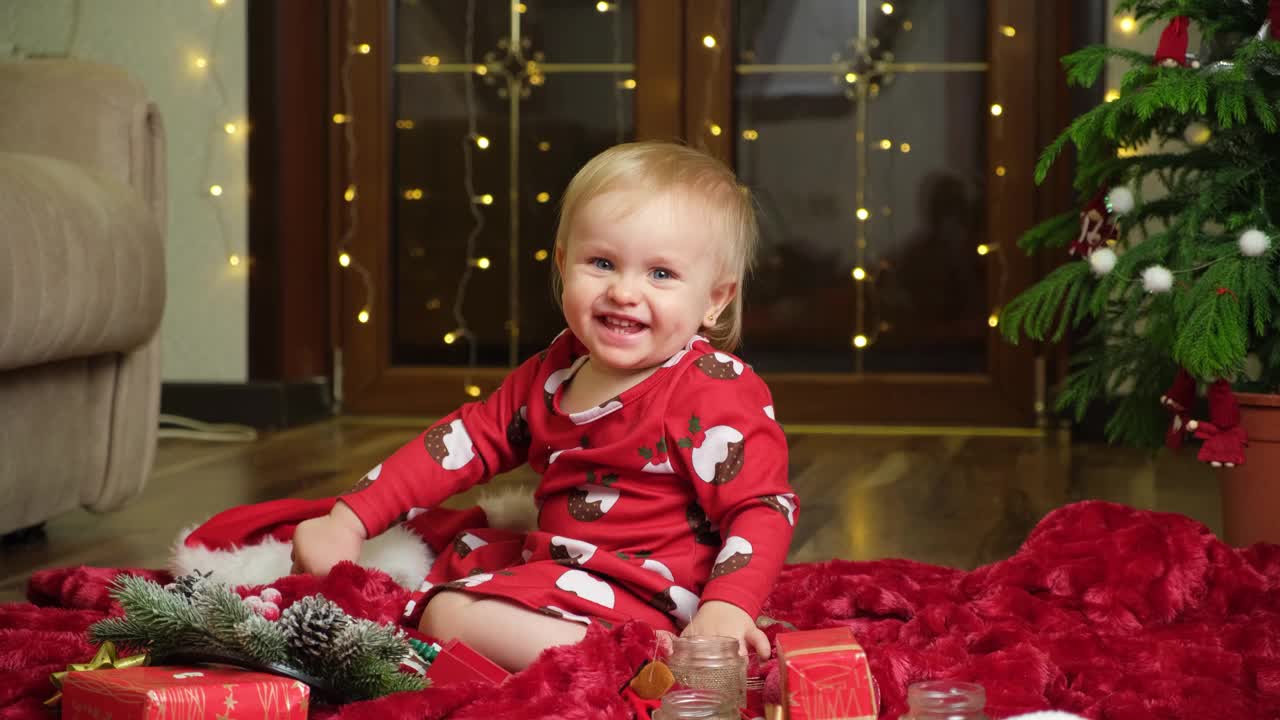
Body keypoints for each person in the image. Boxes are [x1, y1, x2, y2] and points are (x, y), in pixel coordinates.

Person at [291, 141, 799, 671]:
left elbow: (762, 507)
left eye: (661, 274)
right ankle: (561, 663)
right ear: (563, 263)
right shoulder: (556, 369)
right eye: (602, 263)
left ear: (714, 299)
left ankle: (639, 666)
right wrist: (350, 518)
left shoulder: (709, 387)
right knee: (445, 577)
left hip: (653, 596)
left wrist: (726, 607)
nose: (624, 292)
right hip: (561, 572)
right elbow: (462, 442)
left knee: (445, 615)